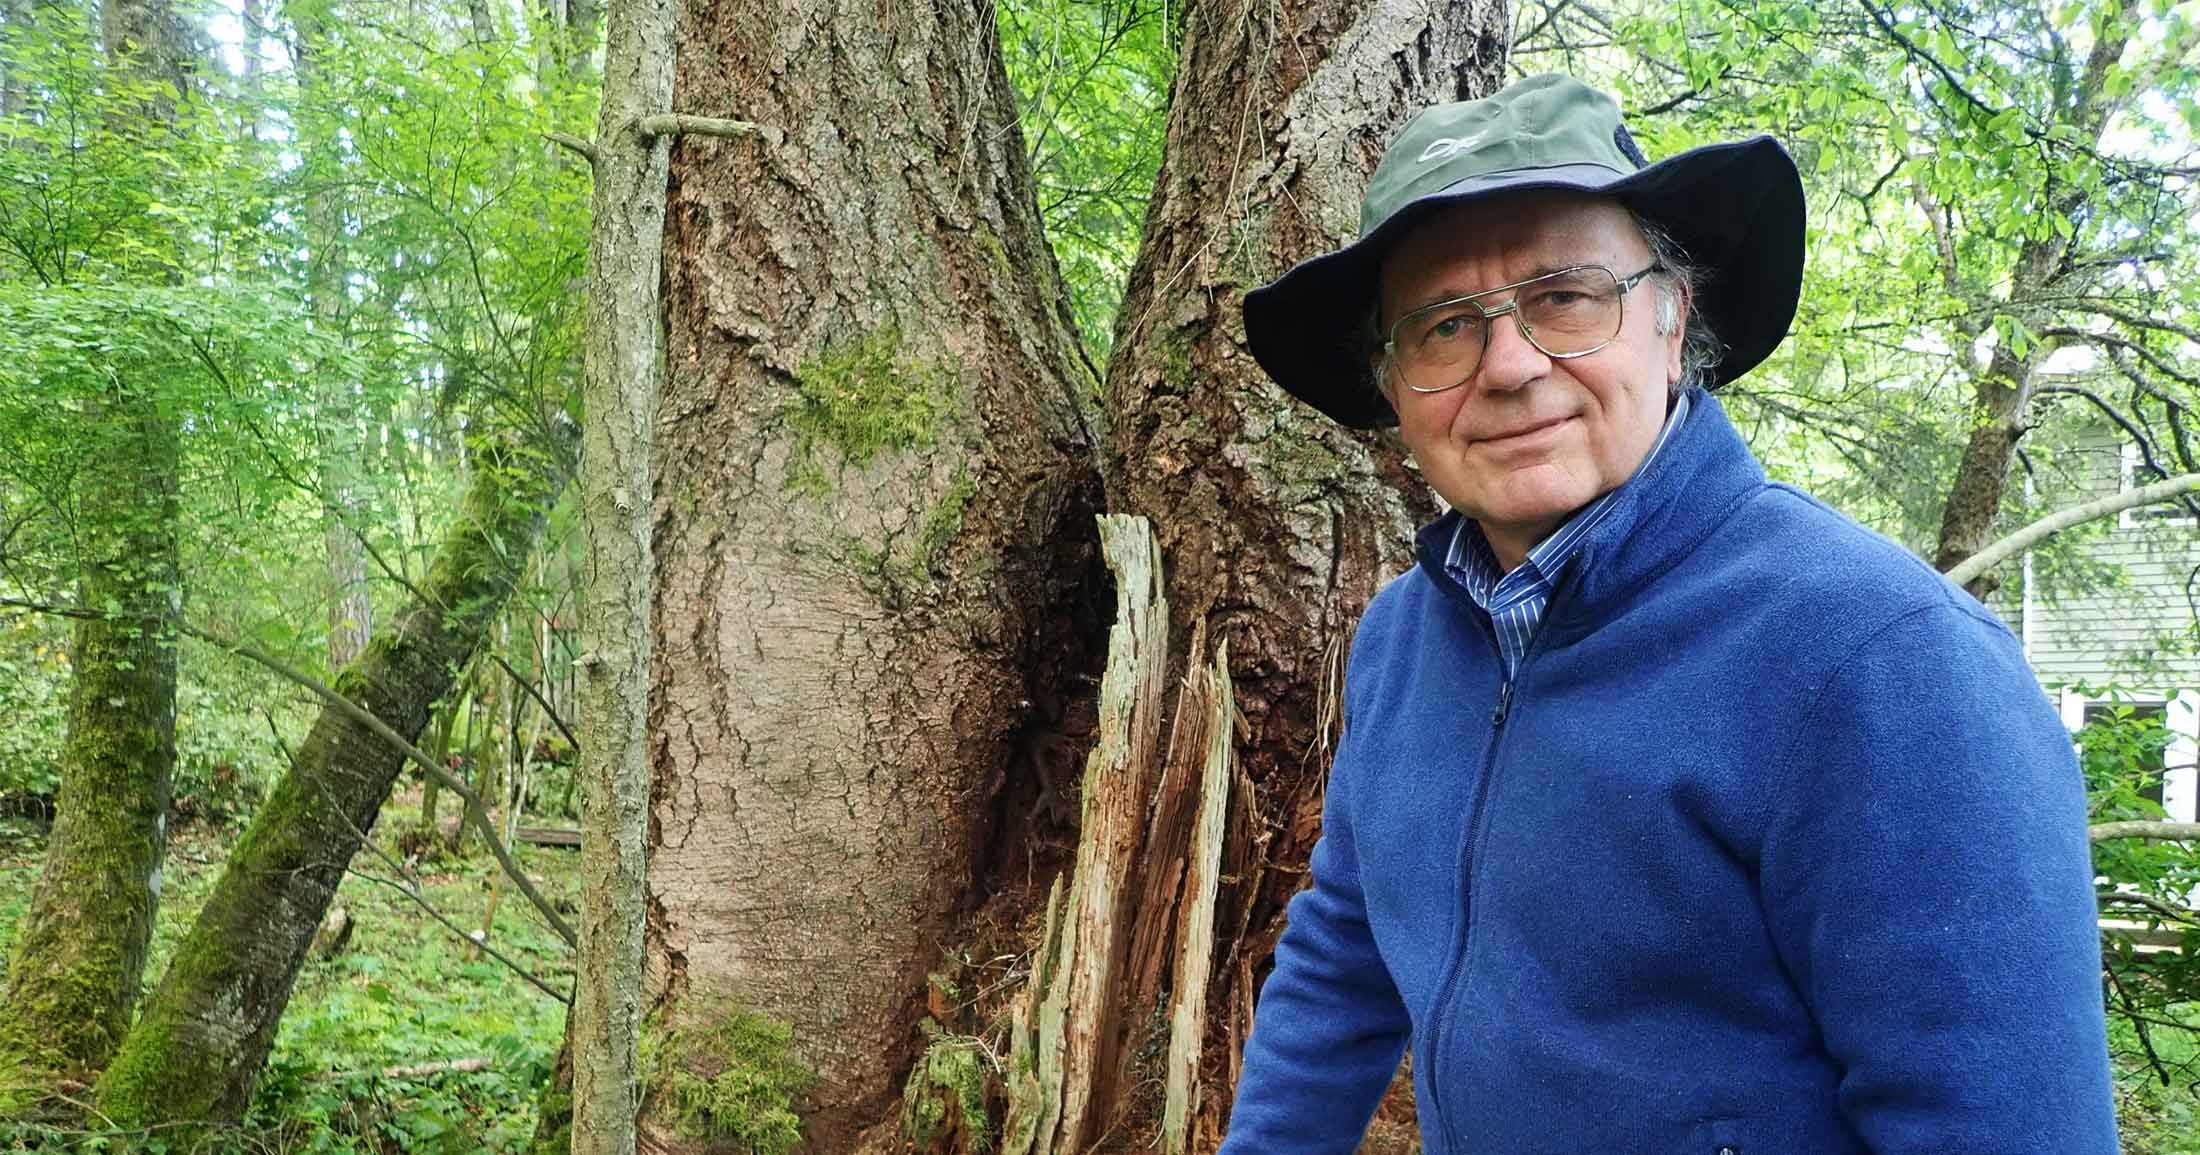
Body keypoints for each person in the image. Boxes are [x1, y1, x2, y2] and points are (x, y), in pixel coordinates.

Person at [1220, 73, 2118, 1153]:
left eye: (1562, 297)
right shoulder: (1405, 636)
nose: (1508, 365)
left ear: (1670, 313)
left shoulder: (1884, 662)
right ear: (1394, 383)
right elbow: (1345, 949)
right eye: (1443, 326)